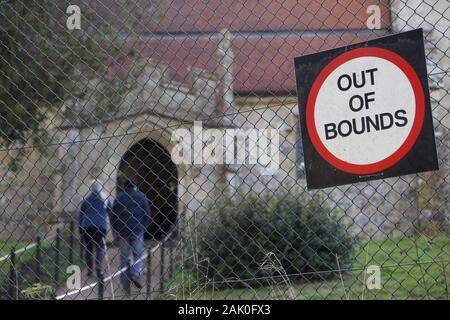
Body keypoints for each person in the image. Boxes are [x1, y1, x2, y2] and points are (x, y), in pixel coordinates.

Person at [110, 179, 151, 290]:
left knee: (124, 257)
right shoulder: (141, 197)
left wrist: (115, 230)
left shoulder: (119, 197)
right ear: (134, 186)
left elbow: (113, 215)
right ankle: (135, 274)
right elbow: (147, 214)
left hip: (123, 231)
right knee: (138, 254)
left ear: (124, 187)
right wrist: (143, 227)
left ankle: (124, 283)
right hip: (137, 230)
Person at [79, 180, 112, 279]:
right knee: (100, 247)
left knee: (88, 248)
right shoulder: (105, 199)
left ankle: (89, 270)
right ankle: (98, 267)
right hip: (100, 226)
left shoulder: (86, 200)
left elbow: (81, 215)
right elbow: (110, 212)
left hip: (87, 226)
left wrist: (80, 227)